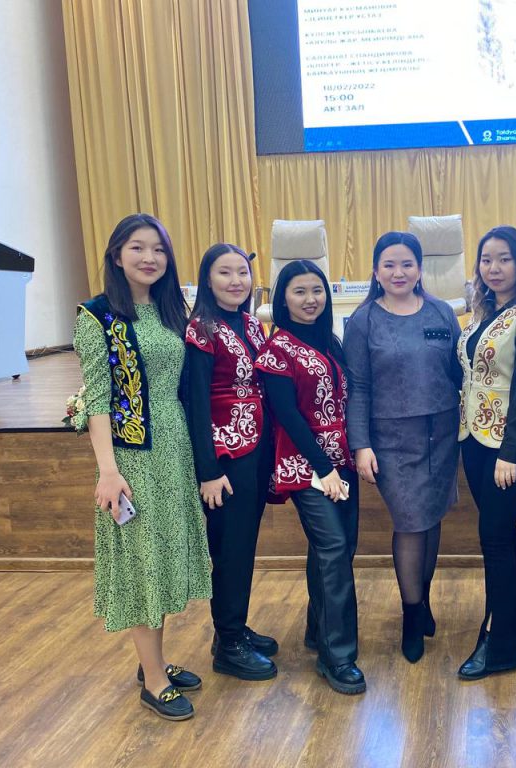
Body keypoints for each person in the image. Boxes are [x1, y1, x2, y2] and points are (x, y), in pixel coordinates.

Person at [73, 213, 211, 721]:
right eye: (137, 247)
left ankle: (153, 661)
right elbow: (97, 400)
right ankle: (154, 682)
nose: (149, 258)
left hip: (173, 449)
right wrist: (108, 471)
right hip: (133, 457)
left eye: (158, 249)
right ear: (116, 254)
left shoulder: (171, 310)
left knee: (162, 556)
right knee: (141, 563)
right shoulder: (98, 317)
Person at [343, 232, 462, 663]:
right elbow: (357, 387)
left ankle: (424, 599)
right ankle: (411, 614)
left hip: (442, 433)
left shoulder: (442, 312)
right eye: (389, 265)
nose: (399, 272)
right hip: (392, 439)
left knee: (432, 518)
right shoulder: (363, 321)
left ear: (419, 269)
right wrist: (360, 444)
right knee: (411, 522)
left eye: (407, 264)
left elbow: (459, 371)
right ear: (376, 271)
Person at [255, 259, 365, 695]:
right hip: (306, 465)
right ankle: (338, 657)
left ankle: (319, 630)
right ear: (282, 299)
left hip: (341, 460)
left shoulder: (329, 340)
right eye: (299, 291)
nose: (310, 299)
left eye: (317, 290)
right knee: (334, 548)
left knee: (337, 548)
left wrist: (341, 463)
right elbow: (289, 418)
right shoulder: (276, 351)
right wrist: (324, 469)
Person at [456, 225, 516, 680]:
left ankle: (501, 643)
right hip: (474, 438)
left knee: (493, 536)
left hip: (511, 446)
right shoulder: (482, 311)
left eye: (504, 259)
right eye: (486, 259)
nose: (493, 268)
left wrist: (509, 452)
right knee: (502, 531)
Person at [185, 243, 279, 682]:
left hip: (255, 449)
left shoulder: (251, 323)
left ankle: (234, 628)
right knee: (230, 549)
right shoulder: (200, 330)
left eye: (242, 272)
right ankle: (228, 642)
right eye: (225, 272)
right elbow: (196, 403)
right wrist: (208, 471)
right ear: (208, 279)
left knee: (243, 544)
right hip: (225, 456)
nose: (236, 281)